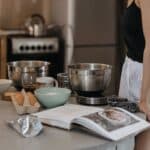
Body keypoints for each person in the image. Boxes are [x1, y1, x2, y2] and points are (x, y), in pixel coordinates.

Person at [119, 0, 150, 149]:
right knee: (123, 141)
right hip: (129, 69)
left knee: (141, 144)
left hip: (144, 76)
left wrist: (144, 99)